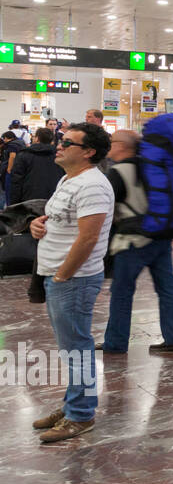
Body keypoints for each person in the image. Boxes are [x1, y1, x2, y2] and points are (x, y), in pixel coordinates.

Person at [28, 122, 114, 443]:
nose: (59, 146)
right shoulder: (69, 179)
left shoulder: (92, 184)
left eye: (68, 142)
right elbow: (61, 220)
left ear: (89, 152)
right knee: (70, 348)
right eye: (61, 140)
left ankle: (81, 414)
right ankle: (72, 403)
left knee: (77, 347)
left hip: (73, 279)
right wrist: (38, 225)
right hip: (58, 275)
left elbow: (89, 237)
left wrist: (64, 273)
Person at [100, 130, 173, 355]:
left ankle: (116, 342)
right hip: (160, 237)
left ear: (123, 146)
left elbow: (107, 209)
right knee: (168, 287)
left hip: (132, 240)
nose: (110, 146)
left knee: (121, 291)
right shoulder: (156, 168)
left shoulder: (118, 172)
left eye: (113, 142)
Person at [9, 126, 64, 203]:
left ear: (37, 138)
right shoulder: (60, 155)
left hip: (29, 200)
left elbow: (17, 181)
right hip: (55, 199)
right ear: (52, 140)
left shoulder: (23, 155)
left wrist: (14, 203)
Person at [2, 130, 27, 206]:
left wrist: (9, 169)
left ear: (6, 138)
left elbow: (12, 156)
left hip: (12, 171)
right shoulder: (21, 142)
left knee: (9, 191)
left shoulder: (12, 145)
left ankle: (9, 208)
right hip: (20, 169)